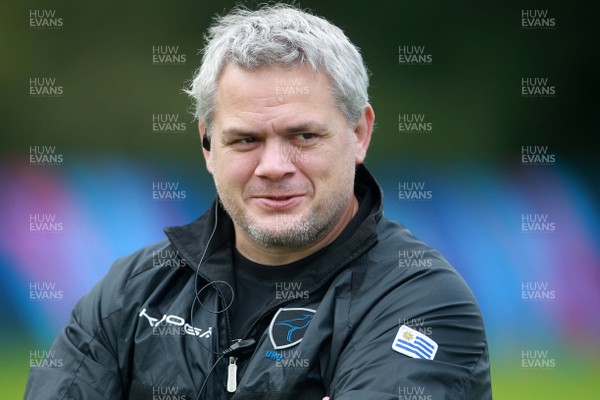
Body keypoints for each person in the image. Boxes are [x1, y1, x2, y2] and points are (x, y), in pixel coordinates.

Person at [25, 4, 492, 399]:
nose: (273, 165)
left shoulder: (421, 303)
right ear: (208, 144)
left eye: (303, 136)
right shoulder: (133, 292)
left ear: (359, 133)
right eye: (245, 140)